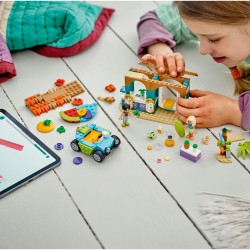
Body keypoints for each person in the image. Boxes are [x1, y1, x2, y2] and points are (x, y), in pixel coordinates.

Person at [137, 1, 250, 130]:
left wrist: (233, 111)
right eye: (197, 35)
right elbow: (152, 20)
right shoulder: (207, 16)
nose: (202, 50)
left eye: (214, 39)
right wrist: (162, 52)